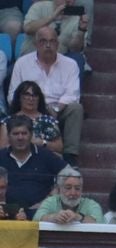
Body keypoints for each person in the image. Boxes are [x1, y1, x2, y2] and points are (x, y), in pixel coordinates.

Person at [6, 26, 81, 164]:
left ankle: (70, 157)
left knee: (76, 108)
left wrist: (55, 109)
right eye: (43, 41)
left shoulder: (70, 64)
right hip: (27, 110)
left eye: (52, 41)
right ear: (36, 44)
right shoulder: (22, 63)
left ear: (57, 44)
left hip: (59, 109)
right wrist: (31, 109)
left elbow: (73, 94)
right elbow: (12, 95)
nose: (48, 45)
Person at [0, 116, 66, 213]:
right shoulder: (1, 156)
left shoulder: (45, 155)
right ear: (9, 136)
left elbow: (70, 175)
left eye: (24, 133)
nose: (20, 137)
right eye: (15, 134)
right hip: (5, 214)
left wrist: (52, 197)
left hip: (41, 213)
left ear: (31, 135)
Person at [0, 81, 62, 155]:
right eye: (27, 95)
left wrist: (42, 143)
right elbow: (3, 149)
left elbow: (59, 147)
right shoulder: (7, 121)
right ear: (19, 97)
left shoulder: (49, 121)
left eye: (35, 95)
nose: (31, 99)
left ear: (39, 98)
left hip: (45, 159)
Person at [32, 165, 100, 223]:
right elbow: (35, 220)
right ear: (59, 189)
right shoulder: (51, 201)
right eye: (68, 188)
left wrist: (78, 217)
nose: (73, 193)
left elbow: (101, 224)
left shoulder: (91, 205)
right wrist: (53, 217)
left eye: (77, 188)